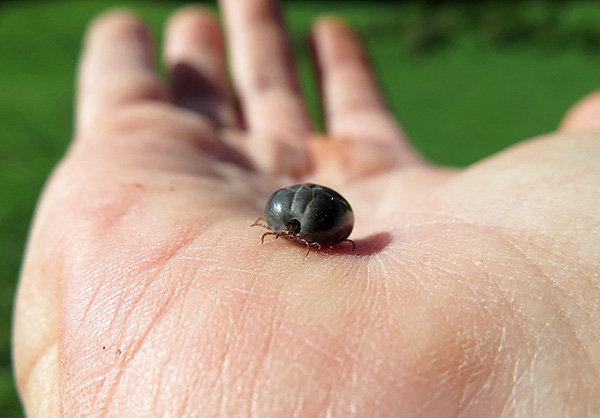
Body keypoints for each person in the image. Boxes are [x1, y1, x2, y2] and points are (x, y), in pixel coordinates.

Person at [12, 0, 600, 416]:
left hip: (315, 213)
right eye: (291, 231)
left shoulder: (296, 219)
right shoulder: (302, 219)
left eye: (293, 232)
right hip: (317, 214)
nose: (291, 236)